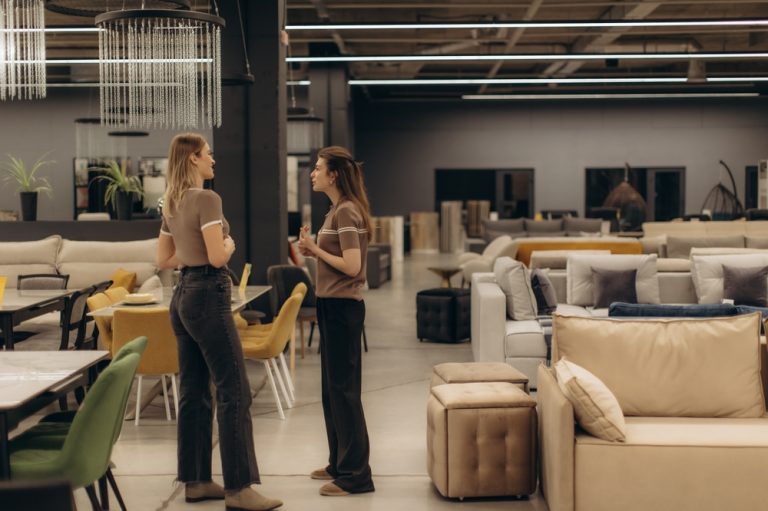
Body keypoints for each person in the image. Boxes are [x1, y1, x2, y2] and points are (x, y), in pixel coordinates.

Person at [156, 133, 282, 511]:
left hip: (181, 298)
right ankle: (239, 488)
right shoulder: (208, 199)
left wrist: (193, 254)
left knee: (193, 392)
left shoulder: (171, 201)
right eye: (209, 154)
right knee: (234, 390)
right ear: (193, 159)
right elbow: (215, 257)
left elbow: (164, 259)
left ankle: (195, 481)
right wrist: (228, 247)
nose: (214, 160)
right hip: (208, 294)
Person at [297, 145, 375, 497]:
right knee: (331, 391)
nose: (312, 173)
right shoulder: (335, 211)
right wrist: (314, 250)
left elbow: (353, 267)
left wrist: (314, 250)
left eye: (317, 168)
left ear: (334, 175)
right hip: (331, 305)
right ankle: (338, 462)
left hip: (344, 309)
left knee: (344, 392)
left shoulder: (346, 213)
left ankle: (356, 475)